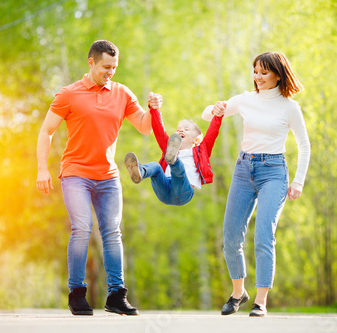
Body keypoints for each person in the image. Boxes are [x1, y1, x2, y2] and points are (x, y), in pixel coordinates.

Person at [36, 40, 163, 316]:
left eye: (115, 67)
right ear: (91, 62)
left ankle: (116, 295)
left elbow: (144, 127)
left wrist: (154, 109)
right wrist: (42, 169)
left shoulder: (122, 93)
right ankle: (77, 293)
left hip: (107, 176)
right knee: (82, 228)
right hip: (75, 173)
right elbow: (46, 131)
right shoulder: (69, 94)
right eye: (106, 66)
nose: (111, 72)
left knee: (112, 232)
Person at [202, 51, 311, 317]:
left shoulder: (289, 107)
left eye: (264, 72)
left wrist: (298, 181)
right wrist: (215, 108)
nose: (258, 77)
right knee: (230, 237)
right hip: (243, 170)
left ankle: (260, 301)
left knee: (264, 235)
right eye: (255, 72)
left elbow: (304, 145)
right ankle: (238, 292)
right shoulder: (246, 99)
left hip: (274, 172)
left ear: (277, 74)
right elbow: (207, 115)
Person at [124, 105, 224, 206]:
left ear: (196, 140)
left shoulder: (201, 151)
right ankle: (141, 171)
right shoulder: (168, 147)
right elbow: (159, 131)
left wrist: (218, 116)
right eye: (178, 129)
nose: (180, 131)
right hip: (165, 190)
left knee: (179, 169)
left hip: (183, 191)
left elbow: (212, 134)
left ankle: (173, 160)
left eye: (186, 129)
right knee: (156, 166)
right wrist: (155, 109)